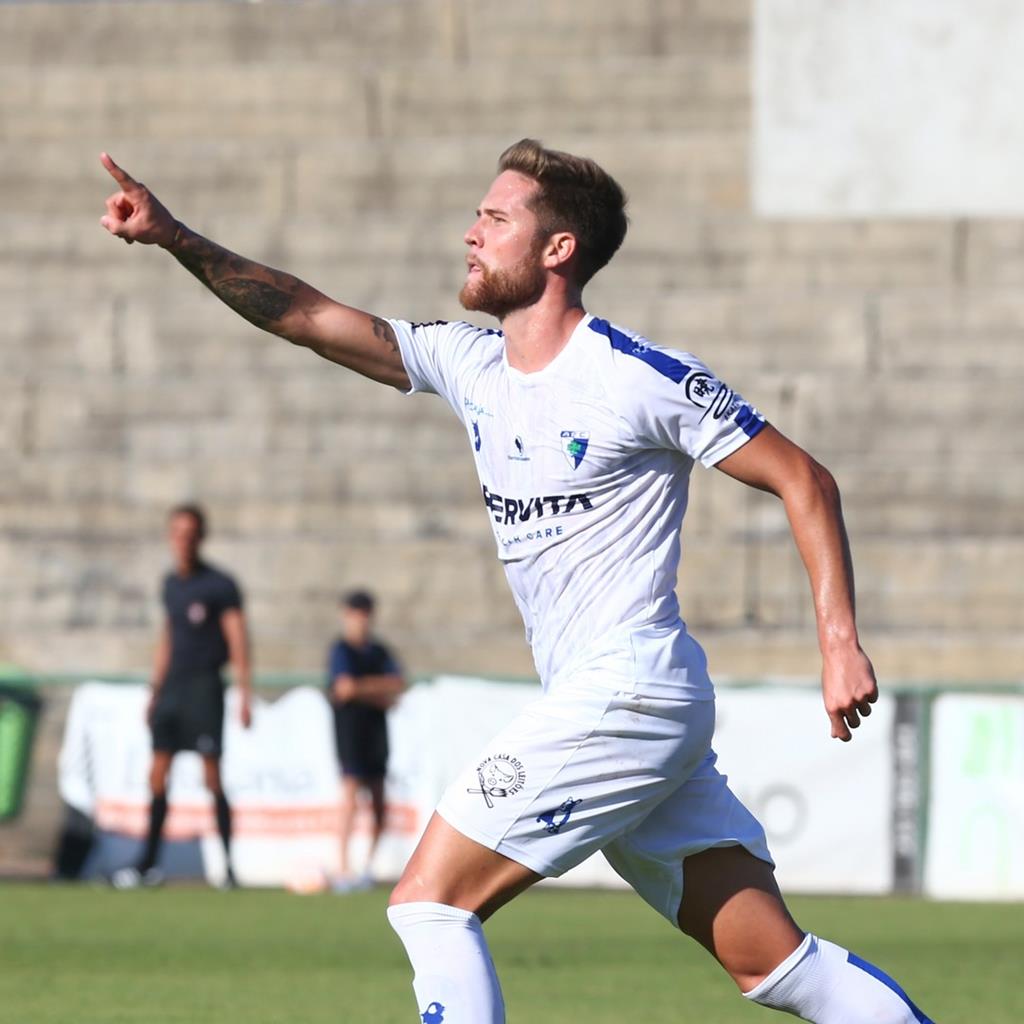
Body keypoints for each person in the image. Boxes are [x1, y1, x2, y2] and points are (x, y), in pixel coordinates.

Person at [99, 142, 935, 1021]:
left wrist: (838, 644)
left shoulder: (634, 376)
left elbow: (806, 479)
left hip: (628, 691)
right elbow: (305, 315)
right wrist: (173, 236)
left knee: (429, 900)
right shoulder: (472, 365)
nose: (471, 234)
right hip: (624, 702)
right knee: (775, 965)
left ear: (557, 249)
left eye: (496, 219)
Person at [112, 503, 252, 889]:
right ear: (170, 536)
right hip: (173, 687)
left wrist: (244, 692)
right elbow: (168, 637)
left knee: (212, 776)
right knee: (157, 774)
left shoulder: (220, 586)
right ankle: (147, 865)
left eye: (191, 534)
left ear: (200, 538)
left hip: (205, 686)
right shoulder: (171, 585)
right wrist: (155, 690)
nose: (184, 542)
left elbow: (238, 638)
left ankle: (227, 868)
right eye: (178, 533)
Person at [326, 589, 405, 891]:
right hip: (350, 731)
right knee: (349, 797)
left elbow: (397, 684)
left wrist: (361, 689)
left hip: (375, 733)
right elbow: (343, 689)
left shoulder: (379, 652)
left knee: (379, 802)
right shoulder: (341, 650)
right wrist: (378, 694)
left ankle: (367, 868)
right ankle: (342, 868)